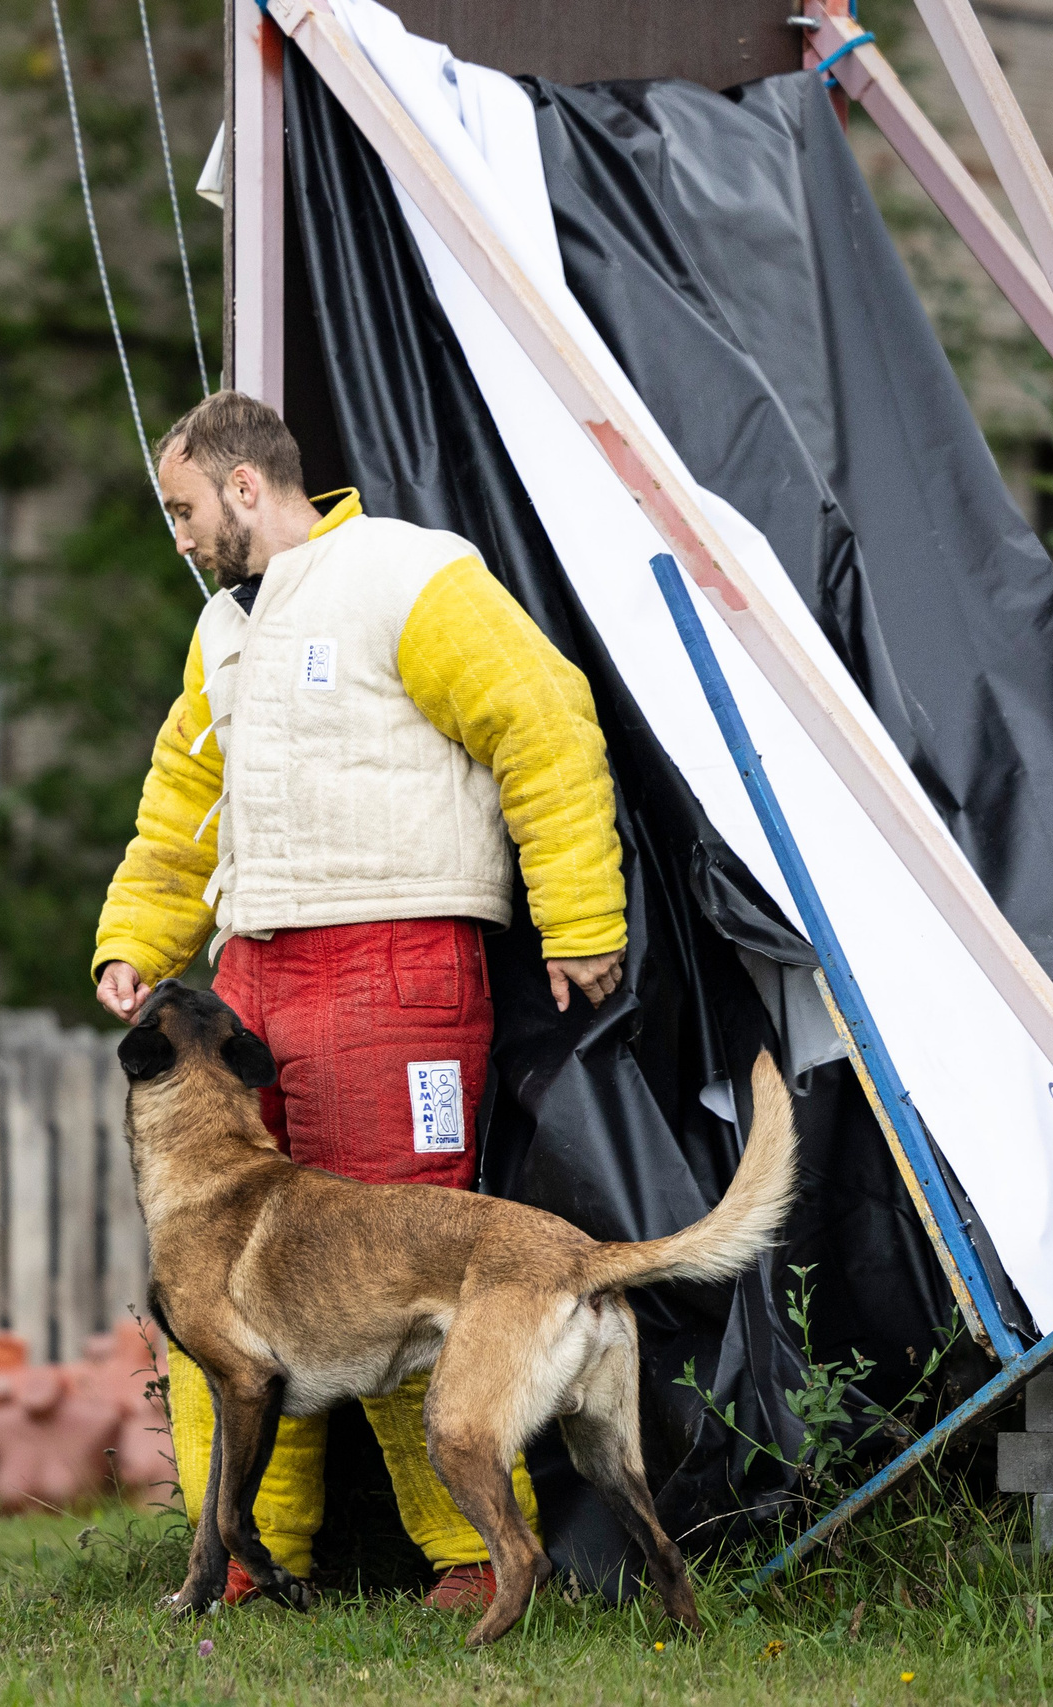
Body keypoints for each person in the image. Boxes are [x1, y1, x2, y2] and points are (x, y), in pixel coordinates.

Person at [93, 390, 628, 1611]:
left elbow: (542, 727)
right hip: (249, 977)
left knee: (401, 1260)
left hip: (398, 967)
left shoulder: (412, 576)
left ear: (241, 488)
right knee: (210, 1280)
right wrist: (133, 942)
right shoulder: (220, 634)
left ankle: (467, 1557)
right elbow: (179, 814)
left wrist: (583, 919)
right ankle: (239, 1553)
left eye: (182, 509)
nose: (176, 537)